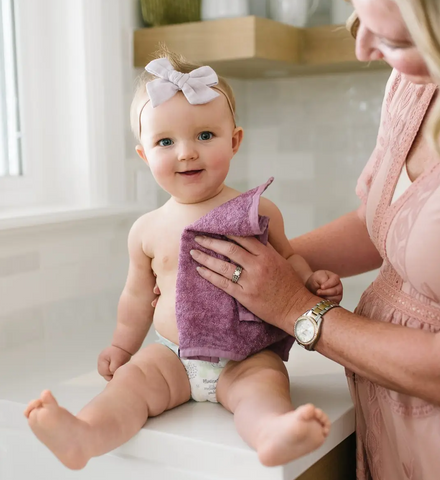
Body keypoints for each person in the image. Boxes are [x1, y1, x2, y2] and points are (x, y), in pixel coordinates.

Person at [23, 49, 344, 470]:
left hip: (245, 356)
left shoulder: (259, 211)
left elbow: (288, 261)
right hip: (172, 355)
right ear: (144, 155)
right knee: (129, 385)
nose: (186, 153)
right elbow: (137, 297)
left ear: (235, 140)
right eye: (165, 142)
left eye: (205, 136)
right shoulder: (146, 230)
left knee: (264, 386)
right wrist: (123, 346)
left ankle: (272, 432)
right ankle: (84, 434)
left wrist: (312, 281)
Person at [187, 1, 440, 479]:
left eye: (395, 41)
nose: (363, 49)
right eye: (357, 20)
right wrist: (255, 265)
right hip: (392, 429)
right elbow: (384, 221)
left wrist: (297, 309)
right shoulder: (413, 84)